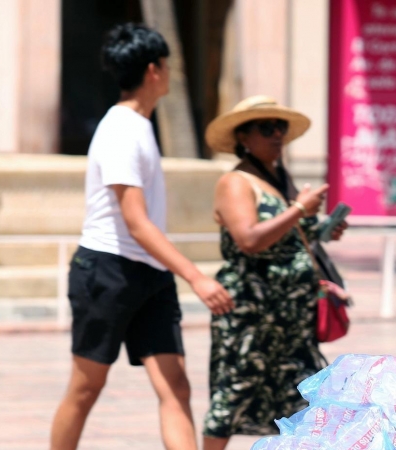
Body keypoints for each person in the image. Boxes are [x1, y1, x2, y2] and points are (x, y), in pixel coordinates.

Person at [50, 23, 233, 450]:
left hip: (150, 275)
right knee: (85, 388)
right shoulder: (120, 130)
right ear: (154, 70)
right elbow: (136, 221)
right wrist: (196, 276)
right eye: (168, 65)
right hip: (107, 271)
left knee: (176, 388)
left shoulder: (141, 125)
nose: (170, 72)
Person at [201, 95, 349, 450]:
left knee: (306, 398)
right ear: (244, 138)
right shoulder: (236, 182)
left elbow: (293, 235)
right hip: (251, 315)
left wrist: (323, 228)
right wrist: (299, 209)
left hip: (292, 318)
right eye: (267, 128)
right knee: (232, 398)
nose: (277, 135)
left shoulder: (280, 179)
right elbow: (249, 239)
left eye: (280, 128)